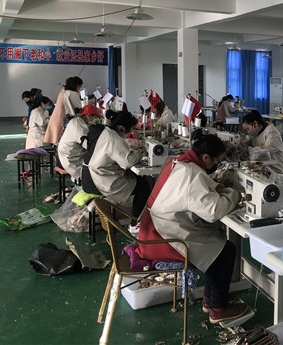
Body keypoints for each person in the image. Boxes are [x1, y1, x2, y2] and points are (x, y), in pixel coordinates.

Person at [136, 135, 249, 324]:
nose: (217, 166)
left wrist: (216, 188)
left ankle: (210, 299)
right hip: (163, 236)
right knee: (226, 251)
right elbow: (213, 211)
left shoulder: (178, 162)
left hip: (157, 227)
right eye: (217, 161)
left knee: (216, 242)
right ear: (205, 157)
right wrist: (233, 194)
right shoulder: (191, 173)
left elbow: (196, 190)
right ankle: (218, 309)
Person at [81, 109, 150, 218]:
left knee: (137, 178)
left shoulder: (104, 131)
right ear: (121, 128)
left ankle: (136, 216)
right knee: (143, 186)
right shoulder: (112, 137)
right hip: (98, 181)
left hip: (90, 176)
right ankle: (136, 221)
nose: (129, 134)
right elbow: (128, 162)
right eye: (129, 130)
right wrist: (140, 151)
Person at [57, 104, 103, 183]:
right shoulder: (79, 125)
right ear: (89, 116)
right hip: (73, 161)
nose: (95, 120)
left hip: (69, 157)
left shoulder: (76, 121)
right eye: (95, 117)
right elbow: (88, 145)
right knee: (101, 167)